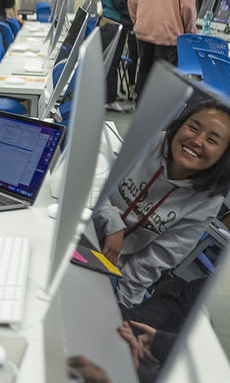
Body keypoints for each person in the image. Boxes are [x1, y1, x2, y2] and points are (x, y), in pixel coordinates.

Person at [93, 100, 230, 307]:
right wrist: (113, 222)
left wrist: (117, 305)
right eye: (193, 127)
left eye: (212, 140)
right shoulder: (150, 142)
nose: (197, 140)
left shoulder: (207, 202)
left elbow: (155, 260)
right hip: (83, 228)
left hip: (112, 268)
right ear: (179, 125)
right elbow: (93, 184)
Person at [98, 0, 136, 112]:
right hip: (115, 20)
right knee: (112, 62)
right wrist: (129, 19)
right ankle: (109, 100)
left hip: (107, 18)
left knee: (108, 62)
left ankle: (106, 98)